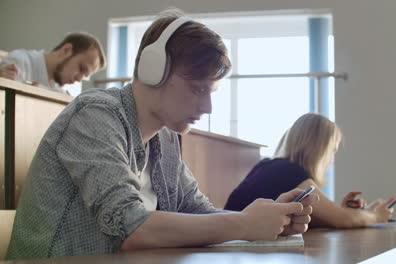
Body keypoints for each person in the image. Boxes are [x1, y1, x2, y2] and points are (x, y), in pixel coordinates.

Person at [6, 8, 315, 260]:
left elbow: (198, 212)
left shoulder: (164, 138)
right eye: (197, 89)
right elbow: (130, 227)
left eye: (212, 92)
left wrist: (266, 220)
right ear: (155, 69)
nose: (207, 106)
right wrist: (243, 224)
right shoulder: (95, 115)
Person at [224, 113, 395, 228]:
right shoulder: (289, 173)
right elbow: (342, 219)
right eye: (333, 150)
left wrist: (356, 214)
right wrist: (376, 217)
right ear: (320, 149)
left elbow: (333, 218)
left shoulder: (271, 166)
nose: (332, 159)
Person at [0, 32, 106, 94]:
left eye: (84, 76)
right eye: (82, 69)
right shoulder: (19, 62)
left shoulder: (59, 92)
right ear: (66, 50)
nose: (79, 79)